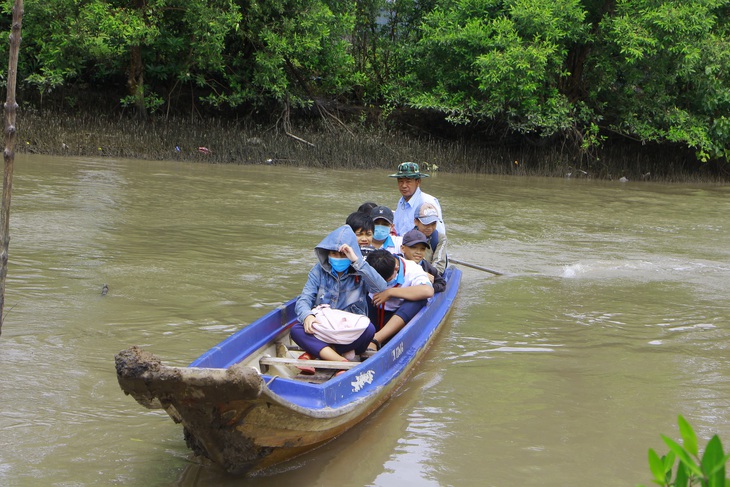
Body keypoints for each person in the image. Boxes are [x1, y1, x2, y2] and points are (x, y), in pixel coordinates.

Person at [291, 225, 387, 372]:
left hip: (350, 329)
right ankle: (341, 360)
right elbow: (304, 299)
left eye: (343, 255)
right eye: (334, 254)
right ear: (327, 254)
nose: (338, 258)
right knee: (296, 330)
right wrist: (308, 316)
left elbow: (380, 287)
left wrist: (356, 259)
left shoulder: (360, 271)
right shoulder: (318, 271)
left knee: (369, 330)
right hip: (323, 328)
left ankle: (317, 352)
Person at [365, 249, 434, 351]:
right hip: (373, 309)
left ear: (396, 269)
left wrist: (390, 292)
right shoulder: (367, 265)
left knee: (419, 299)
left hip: (397, 317)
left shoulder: (412, 269)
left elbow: (428, 291)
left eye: (387, 281)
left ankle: (376, 339)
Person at [390, 162, 445, 237]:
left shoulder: (427, 202)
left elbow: (439, 234)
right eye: (400, 181)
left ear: (418, 182)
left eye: (408, 181)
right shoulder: (401, 202)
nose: (403, 185)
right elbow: (397, 229)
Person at [400, 229, 446, 293]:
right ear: (403, 248)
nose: (418, 252)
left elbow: (442, 283)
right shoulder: (396, 262)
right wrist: (422, 275)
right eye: (413, 247)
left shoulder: (427, 266)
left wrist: (428, 285)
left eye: (422, 249)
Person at [412, 202, 448, 273]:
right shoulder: (406, 238)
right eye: (426, 224)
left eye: (433, 224)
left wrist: (426, 276)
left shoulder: (440, 239)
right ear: (416, 222)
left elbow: (439, 265)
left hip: (430, 275)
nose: (430, 228)